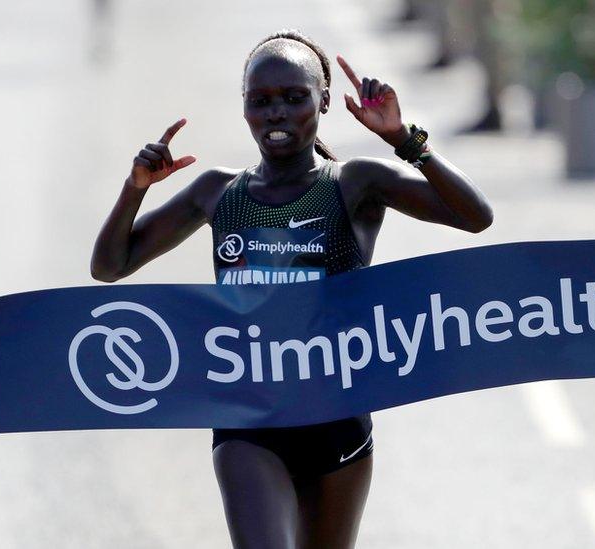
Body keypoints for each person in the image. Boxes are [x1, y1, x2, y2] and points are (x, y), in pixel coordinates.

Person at [90, 29, 493, 549]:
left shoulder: (356, 183)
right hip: (247, 421)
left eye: (293, 98)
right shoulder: (217, 192)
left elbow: (475, 217)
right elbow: (109, 266)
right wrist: (134, 189)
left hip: (339, 422)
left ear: (323, 101)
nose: (276, 113)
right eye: (260, 102)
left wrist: (402, 140)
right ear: (244, 110)